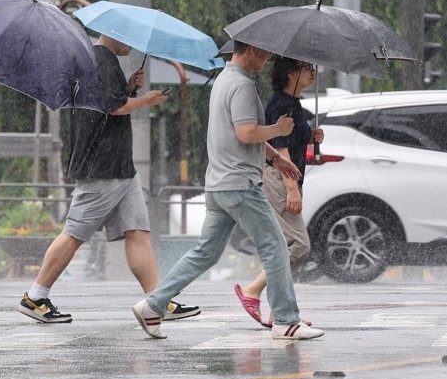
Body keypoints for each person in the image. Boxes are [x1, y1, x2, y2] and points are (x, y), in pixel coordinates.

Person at [131, 41, 325, 340]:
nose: (268, 57)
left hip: (219, 183)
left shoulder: (224, 80)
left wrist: (276, 158)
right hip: (241, 183)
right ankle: (286, 320)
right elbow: (246, 133)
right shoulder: (243, 86)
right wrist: (279, 130)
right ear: (247, 50)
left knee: (204, 253)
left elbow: (241, 133)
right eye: (263, 51)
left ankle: (153, 305)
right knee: (275, 247)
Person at [17, 34, 200, 323]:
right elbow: (114, 108)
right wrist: (146, 100)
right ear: (115, 35)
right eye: (129, 40)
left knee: (137, 231)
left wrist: (127, 86)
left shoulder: (96, 59)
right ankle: (35, 296)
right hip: (101, 166)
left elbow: (105, 101)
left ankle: (158, 300)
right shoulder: (103, 59)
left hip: (119, 168)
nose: (132, 47)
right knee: (75, 233)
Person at [234, 56, 325, 327]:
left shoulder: (293, 104)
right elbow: (280, 147)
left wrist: (311, 136)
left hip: (287, 178)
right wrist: (291, 189)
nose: (312, 72)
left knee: (284, 245)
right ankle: (254, 290)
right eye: (307, 68)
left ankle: (280, 313)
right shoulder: (281, 104)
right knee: (299, 246)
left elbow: (292, 138)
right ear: (290, 73)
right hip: (280, 179)